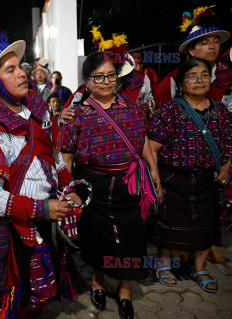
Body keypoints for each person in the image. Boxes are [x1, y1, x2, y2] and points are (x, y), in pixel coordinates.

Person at [0, 21, 86, 319]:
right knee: (32, 290)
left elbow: (54, 156)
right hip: (13, 224)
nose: (22, 73)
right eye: (9, 70)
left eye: (20, 66)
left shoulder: (39, 109)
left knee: (39, 289)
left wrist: (70, 188)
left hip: (46, 216)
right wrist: (41, 208)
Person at [58, 51, 159, 319]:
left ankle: (124, 290)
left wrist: (155, 172)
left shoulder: (132, 107)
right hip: (92, 184)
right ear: (86, 81)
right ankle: (98, 282)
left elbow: (144, 141)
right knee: (97, 236)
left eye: (111, 76)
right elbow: (66, 156)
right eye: (98, 77)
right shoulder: (76, 115)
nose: (105, 82)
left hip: (130, 181)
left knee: (131, 236)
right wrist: (69, 192)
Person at [147, 58, 232, 293]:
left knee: (205, 226)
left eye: (204, 75)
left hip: (207, 180)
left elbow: (227, 145)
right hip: (173, 179)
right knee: (168, 226)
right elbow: (151, 147)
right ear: (181, 85)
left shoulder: (220, 110)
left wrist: (226, 166)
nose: (199, 80)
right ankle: (163, 266)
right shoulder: (170, 111)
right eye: (192, 76)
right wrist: (155, 179)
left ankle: (199, 268)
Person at [155, 5, 231, 109]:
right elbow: (160, 109)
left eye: (216, 42)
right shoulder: (175, 77)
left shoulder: (228, 75)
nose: (212, 47)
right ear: (191, 50)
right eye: (205, 43)